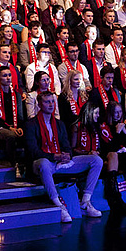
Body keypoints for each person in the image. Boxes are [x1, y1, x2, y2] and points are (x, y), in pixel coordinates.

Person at [25, 91, 103, 223]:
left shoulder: (59, 124)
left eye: (52, 101)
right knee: (44, 163)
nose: (50, 104)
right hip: (43, 163)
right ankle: (59, 205)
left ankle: (85, 201)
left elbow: (67, 146)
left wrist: (67, 155)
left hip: (60, 162)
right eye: (47, 101)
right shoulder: (31, 124)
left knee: (96, 160)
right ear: (39, 104)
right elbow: (33, 151)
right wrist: (54, 156)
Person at [71, 100, 126, 215]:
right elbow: (72, 149)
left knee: (113, 154)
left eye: (98, 113)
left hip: (98, 158)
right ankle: (114, 195)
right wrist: (88, 153)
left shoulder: (97, 128)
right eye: (96, 113)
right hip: (82, 159)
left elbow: (104, 147)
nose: (98, 116)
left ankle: (114, 192)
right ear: (89, 113)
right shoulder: (77, 126)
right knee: (108, 157)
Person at [0, 66, 26, 170]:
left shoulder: (16, 95)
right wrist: (9, 128)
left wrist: (20, 127)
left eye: (9, 75)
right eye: (4, 76)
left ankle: (28, 167)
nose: (8, 78)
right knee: (10, 136)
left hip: (15, 126)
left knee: (29, 132)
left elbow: (20, 115)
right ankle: (13, 165)